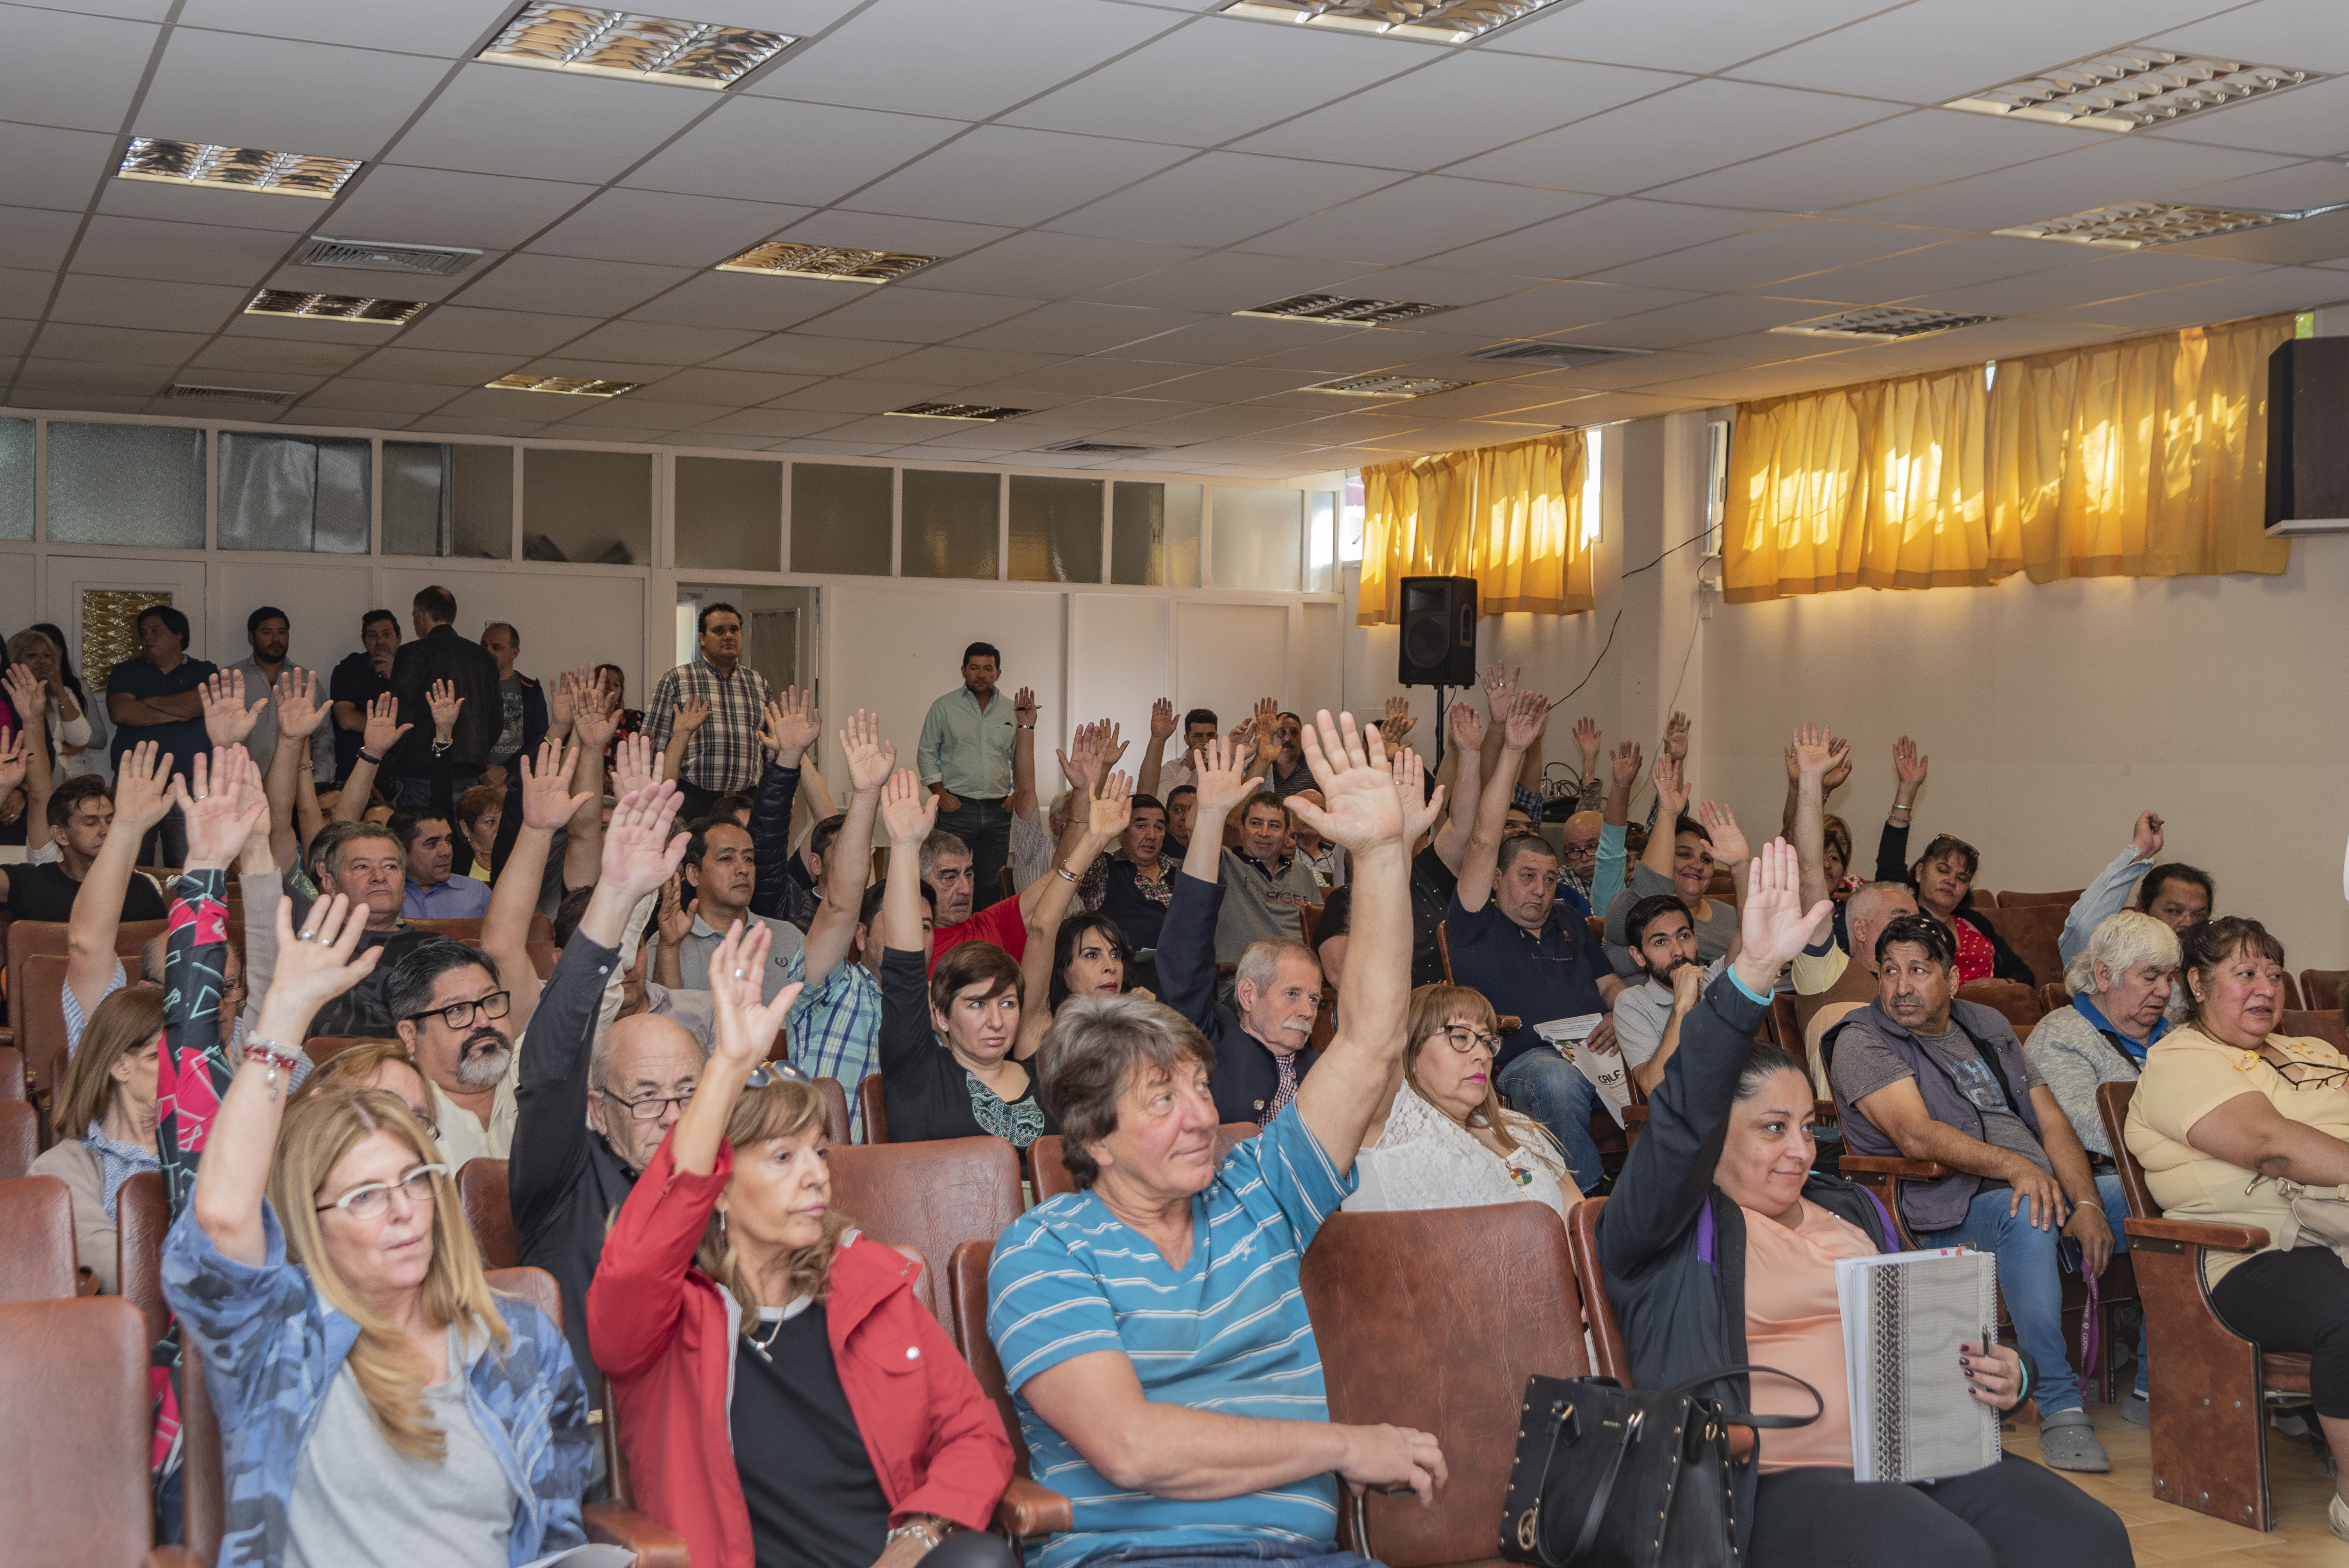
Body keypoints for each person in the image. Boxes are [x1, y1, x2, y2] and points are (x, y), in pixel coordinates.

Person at [988, 710, 1449, 1568]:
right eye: (1161, 1099)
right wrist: (1344, 1447)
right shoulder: (1042, 1253)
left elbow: (1371, 1041)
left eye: (1200, 1086)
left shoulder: (1258, 1193)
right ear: (1090, 1135)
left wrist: (1381, 856)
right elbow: (1131, 1447)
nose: (1203, 1115)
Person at [1597, 840, 2130, 1568]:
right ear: (1712, 1135)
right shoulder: (1666, 1225)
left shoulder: (1849, 1208)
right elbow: (1682, 1110)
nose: (1800, 1150)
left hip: (1916, 1451)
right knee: (1945, 1554)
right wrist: (1750, 973)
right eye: (1772, 1129)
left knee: (2088, 1538)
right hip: (1767, 1478)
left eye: (1806, 1128)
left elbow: (1930, 1343)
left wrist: (2007, 1373)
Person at [161, 891, 592, 1568]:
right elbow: (218, 1220)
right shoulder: (281, 1335)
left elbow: (558, 1536)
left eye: (416, 1181)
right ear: (312, 1218)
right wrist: (282, 1019)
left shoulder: (521, 1341)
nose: (403, 1210)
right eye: (364, 1196)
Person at [588, 921, 1018, 1568]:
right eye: (782, 1156)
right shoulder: (666, 1322)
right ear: (719, 1189)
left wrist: (920, 1537)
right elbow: (641, 1251)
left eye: (819, 1153)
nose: (816, 1173)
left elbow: (976, 1435)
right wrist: (728, 1066)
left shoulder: (873, 1284)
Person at [1830, 912, 2114, 1471]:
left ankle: (2159, 1388)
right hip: (1938, 1205)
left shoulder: (1985, 1023)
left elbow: (2052, 1122)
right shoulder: (1860, 1040)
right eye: (1889, 971)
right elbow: (1915, 1134)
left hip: (2032, 1184)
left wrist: (2086, 1204)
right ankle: (2057, 1404)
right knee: (2029, 1211)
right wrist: (2017, 1169)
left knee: (2157, 1214)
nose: (1902, 986)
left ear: (1953, 980)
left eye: (1918, 970)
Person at [2124, 914, 2349, 1541]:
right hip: (2245, 1256)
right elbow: (2269, 1145)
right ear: (2196, 984)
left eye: (2275, 975)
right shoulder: (2181, 1060)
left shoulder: (2313, 1051)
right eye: (2245, 973)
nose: (2267, 987)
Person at [513, 778, 709, 1384]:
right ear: (597, 1110)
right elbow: (551, 1061)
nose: (673, 1118)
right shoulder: (562, 1178)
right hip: (596, 1438)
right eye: (647, 1098)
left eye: (688, 1094)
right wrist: (617, 896)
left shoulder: (720, 1180)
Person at [869, 768, 1119, 1147]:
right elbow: (903, 965)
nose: (996, 1019)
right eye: (975, 1004)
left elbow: (1045, 925)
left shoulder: (1043, 1077)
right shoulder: (917, 1071)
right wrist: (904, 847)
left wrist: (1094, 839)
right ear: (940, 1014)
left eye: (1006, 1002)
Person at [1443, 692, 1622, 1196]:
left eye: (1548, 878)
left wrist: (1625, 1016)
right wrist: (1515, 752)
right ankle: (1585, 1205)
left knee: (1680, 1054)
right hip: (1527, 1062)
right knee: (1555, 1083)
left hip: (1603, 1054)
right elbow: (1481, 839)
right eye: (1526, 876)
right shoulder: (1477, 924)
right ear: (1497, 880)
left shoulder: (1569, 919)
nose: (1540, 889)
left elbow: (1613, 988)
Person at [2024, 909, 2178, 1424]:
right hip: (2084, 1189)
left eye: (2170, 977)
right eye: (2150, 976)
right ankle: (2161, 1388)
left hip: (2152, 1177)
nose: (2163, 991)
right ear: (2106, 975)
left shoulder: (2172, 1036)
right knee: (2189, 1209)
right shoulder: (2063, 1035)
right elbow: (2090, 1129)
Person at [1161, 737, 1329, 1126]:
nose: (1306, 1011)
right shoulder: (1211, 1044)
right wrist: (1211, 815)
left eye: (1315, 999)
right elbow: (1186, 947)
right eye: (1293, 995)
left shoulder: (1321, 1070)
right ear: (1249, 994)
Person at [1345, 984, 1571, 1215]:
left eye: (1486, 1041)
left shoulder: (1518, 1126)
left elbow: (1580, 1220)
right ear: (1408, 1050)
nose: (1483, 1055)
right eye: (1460, 1036)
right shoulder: (1387, 1125)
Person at [776, 710, 897, 1139]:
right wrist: (865, 796)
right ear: (861, 936)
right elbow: (842, 905)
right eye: (897, 922)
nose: (910, 936)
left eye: (922, 925)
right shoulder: (834, 985)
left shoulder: (930, 1013)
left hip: (886, 1181)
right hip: (810, 1161)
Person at [30, 986, 164, 1295]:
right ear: (120, 1066)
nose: (181, 1069)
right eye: (160, 1056)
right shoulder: (60, 1168)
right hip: (124, 1335)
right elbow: (121, 1269)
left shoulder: (202, 1152)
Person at [1873, 737, 2032, 984]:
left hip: (1993, 1009)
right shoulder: (1904, 915)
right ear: (1920, 872)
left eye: (1962, 878)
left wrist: (2000, 983)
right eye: (1943, 870)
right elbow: (1889, 863)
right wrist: (1907, 792)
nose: (1951, 881)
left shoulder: (1975, 922)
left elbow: (2025, 975)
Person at [1602, 752, 1733, 978]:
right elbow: (1652, 892)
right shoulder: (1626, 907)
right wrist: (1667, 813)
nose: (1697, 865)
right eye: (1684, 855)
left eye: (1706, 859)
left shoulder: (1731, 915)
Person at [106, 603, 217, 864]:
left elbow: (198, 704)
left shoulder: (204, 671)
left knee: (186, 866)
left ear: (179, 635)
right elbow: (121, 712)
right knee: (130, 865)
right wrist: (181, 711)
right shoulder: (126, 670)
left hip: (189, 786)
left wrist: (144, 701)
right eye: (143, 632)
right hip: (134, 783)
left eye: (156, 630)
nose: (147, 637)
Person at [649, 602, 773, 824]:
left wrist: (780, 800)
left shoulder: (759, 684)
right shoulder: (676, 680)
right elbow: (653, 749)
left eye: (734, 630)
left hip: (749, 802)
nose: (728, 636)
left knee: (745, 859)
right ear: (702, 638)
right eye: (719, 631)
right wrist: (656, 805)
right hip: (694, 801)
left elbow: (771, 750)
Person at [917, 641, 1018, 912]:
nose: (981, 674)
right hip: (957, 809)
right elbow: (927, 752)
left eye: (988, 669)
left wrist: (1017, 794)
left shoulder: (1012, 711)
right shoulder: (944, 707)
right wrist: (941, 795)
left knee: (990, 883)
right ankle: (944, 937)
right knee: (946, 878)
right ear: (963, 671)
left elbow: (1019, 756)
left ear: (998, 673)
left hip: (999, 811)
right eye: (975, 668)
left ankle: (981, 942)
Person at [384, 586, 500, 812]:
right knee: (466, 842)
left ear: (422, 615)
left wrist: (385, 770)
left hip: (419, 772)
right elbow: (496, 719)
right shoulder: (483, 658)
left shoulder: (412, 653)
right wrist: (477, 755)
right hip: (470, 772)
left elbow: (401, 714)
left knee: (423, 842)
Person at [674, 813, 807, 1002]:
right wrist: (668, 949)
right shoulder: (670, 945)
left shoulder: (789, 938)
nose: (743, 869)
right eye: (726, 858)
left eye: (748, 859)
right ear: (694, 874)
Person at [2, 773, 168, 920]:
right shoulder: (32, 883)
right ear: (61, 835)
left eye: (110, 821)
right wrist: (3, 790)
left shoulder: (141, 889)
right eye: (91, 822)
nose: (106, 831)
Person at [226, 606, 332, 784]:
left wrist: (317, 783)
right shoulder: (231, 679)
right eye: (267, 632)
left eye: (282, 632)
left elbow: (324, 739)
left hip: (299, 788)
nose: (276, 639)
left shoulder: (307, 680)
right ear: (251, 638)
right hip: (244, 788)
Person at [1078, 790, 1173, 958]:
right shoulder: (1103, 868)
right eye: (1141, 826)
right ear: (1121, 833)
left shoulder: (1181, 871)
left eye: (1159, 828)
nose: (1151, 836)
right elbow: (1077, 857)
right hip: (1125, 973)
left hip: (1181, 972)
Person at [7, 626, 99, 780]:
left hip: (72, 781)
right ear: (14, 660)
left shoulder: (65, 692)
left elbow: (81, 739)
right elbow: (19, 742)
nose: (42, 661)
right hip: (27, 781)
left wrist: (60, 690)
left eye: (47, 656)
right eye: (32, 655)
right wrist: (61, 748)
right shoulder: (9, 697)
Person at [478, 622, 545, 790]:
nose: (488, 651)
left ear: (514, 653)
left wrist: (507, 769)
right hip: (477, 779)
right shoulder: (472, 686)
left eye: (496, 647)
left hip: (518, 781)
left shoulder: (530, 690)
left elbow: (539, 738)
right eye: (484, 645)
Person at [392, 807, 491, 918]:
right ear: (401, 852)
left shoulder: (476, 892)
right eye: (432, 844)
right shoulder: (382, 895)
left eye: (448, 841)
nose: (447, 852)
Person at [1137, 700, 1219, 803]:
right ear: (1187, 739)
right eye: (1198, 736)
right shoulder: (1171, 769)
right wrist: (1188, 768)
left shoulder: (1225, 766)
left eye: (1211, 736)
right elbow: (1163, 803)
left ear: (1217, 738)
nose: (1205, 741)